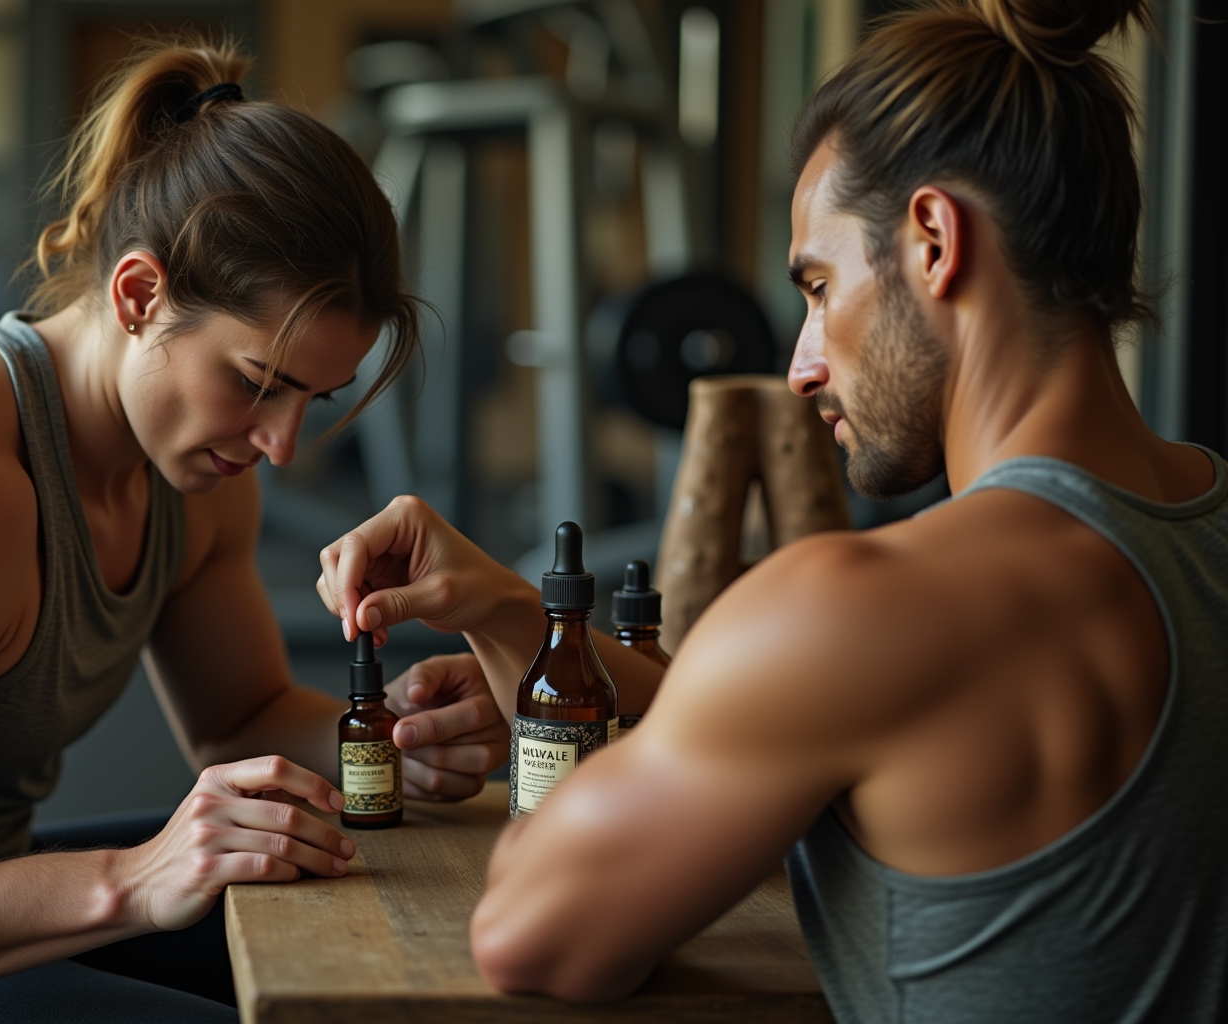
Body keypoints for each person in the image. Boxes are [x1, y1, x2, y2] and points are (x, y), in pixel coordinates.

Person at [317, 0, 1228, 1019]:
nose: (802, 365)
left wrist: (562, 782)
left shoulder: (866, 609)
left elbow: (531, 930)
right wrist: (510, 612)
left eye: (820, 285)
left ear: (934, 241)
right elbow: (798, 716)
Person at [0, 41, 509, 1024]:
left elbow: (241, 715)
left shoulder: (201, 469)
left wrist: (386, 739)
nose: (281, 443)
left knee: (391, 938)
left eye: (313, 399)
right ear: (138, 296)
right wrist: (135, 877)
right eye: (256, 383)